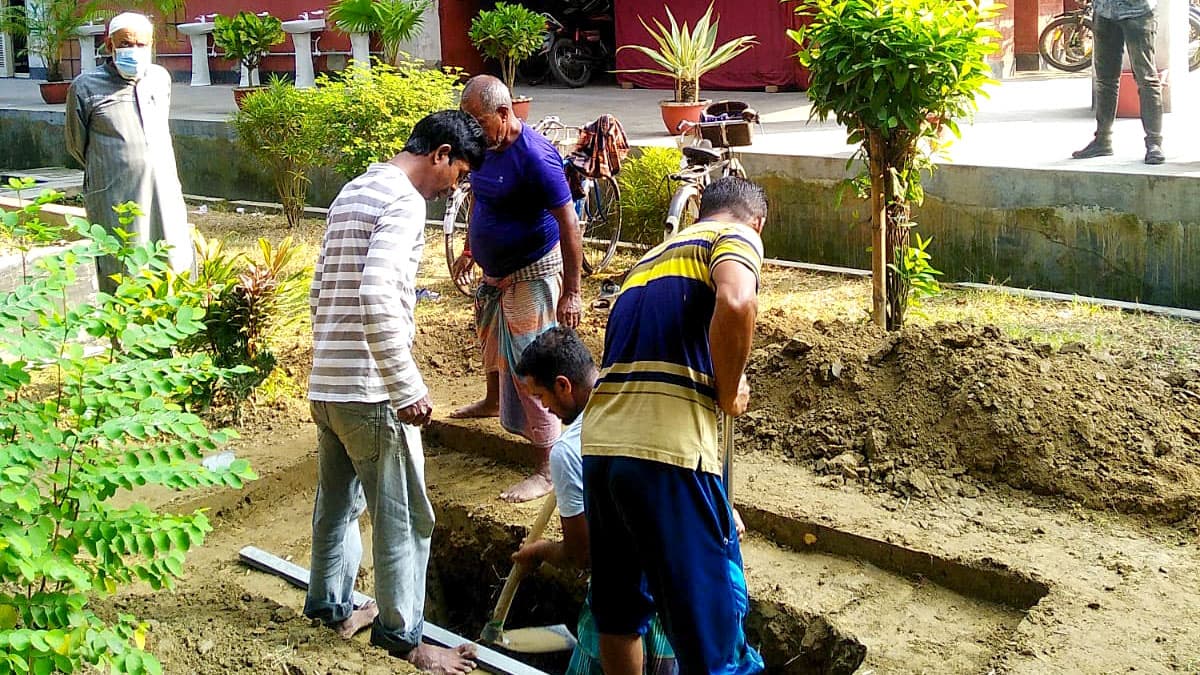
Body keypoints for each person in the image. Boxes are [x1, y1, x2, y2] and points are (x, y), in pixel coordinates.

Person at [304, 110, 485, 675]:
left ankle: (329, 606)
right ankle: (403, 639)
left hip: (328, 384)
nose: (454, 187)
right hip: (371, 390)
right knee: (404, 517)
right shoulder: (404, 202)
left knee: (336, 507)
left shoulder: (355, 188)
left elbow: (319, 289)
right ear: (442, 154)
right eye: (459, 173)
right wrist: (405, 386)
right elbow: (379, 295)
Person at [581, 176, 768, 675]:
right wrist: (729, 389)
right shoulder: (736, 236)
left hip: (600, 450)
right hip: (668, 455)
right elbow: (735, 302)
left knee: (619, 613)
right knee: (710, 636)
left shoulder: (648, 260)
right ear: (758, 221)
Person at [512, 326, 679, 675]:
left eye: (542, 398)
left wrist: (540, 551)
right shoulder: (645, 398)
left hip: (620, 595)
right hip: (677, 582)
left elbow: (582, 554)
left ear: (563, 385)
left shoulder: (569, 450)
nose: (545, 409)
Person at [452, 74, 585, 503]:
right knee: (492, 341)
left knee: (531, 361)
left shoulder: (536, 157)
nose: (472, 131)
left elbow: (569, 223)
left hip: (533, 270)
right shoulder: (483, 148)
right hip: (495, 272)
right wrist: (472, 247)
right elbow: (480, 200)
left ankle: (546, 466)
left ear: (505, 114)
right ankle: (493, 401)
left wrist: (573, 292)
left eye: (479, 121)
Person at [65, 12, 194, 293]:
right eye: (126, 44)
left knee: (170, 255)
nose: (134, 51)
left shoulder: (160, 79)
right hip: (115, 193)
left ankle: (171, 331)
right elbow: (76, 144)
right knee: (122, 263)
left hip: (163, 189)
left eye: (141, 44)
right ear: (110, 46)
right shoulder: (85, 87)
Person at [1071, 0, 1164, 164]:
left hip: (1137, 11)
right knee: (1105, 78)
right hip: (1104, 11)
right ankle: (1102, 140)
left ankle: (1154, 143)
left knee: (1146, 78)